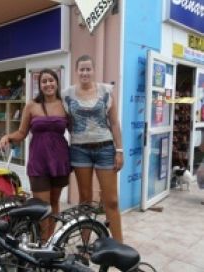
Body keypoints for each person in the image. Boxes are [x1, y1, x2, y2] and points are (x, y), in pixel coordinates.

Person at [0, 68, 71, 241]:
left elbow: (75, 130)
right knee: (41, 206)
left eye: (51, 80)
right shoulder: (31, 105)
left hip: (59, 161)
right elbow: (22, 133)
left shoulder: (65, 104)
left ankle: (49, 241)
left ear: (57, 82)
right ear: (40, 85)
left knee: (54, 202)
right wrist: (7, 136)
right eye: (44, 81)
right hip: (38, 161)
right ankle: (41, 241)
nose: (48, 84)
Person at [62, 54, 124, 242]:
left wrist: (119, 151)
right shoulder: (67, 94)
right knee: (85, 199)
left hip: (105, 149)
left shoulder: (106, 91)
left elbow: (114, 123)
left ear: (94, 70)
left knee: (111, 201)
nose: (85, 72)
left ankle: (119, 246)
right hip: (80, 151)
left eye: (88, 69)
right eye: (82, 69)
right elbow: (67, 122)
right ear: (76, 71)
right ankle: (85, 247)